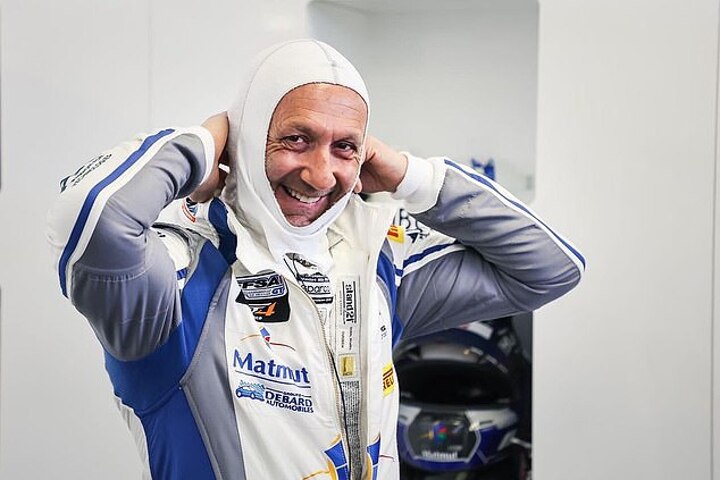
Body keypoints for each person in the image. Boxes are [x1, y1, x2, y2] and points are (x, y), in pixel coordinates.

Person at [47, 39, 584, 480]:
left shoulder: (375, 265)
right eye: (296, 139)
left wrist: (411, 177)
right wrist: (201, 145)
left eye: (345, 147)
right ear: (246, 137)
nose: (320, 174)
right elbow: (90, 218)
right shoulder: (175, 279)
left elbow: (550, 268)